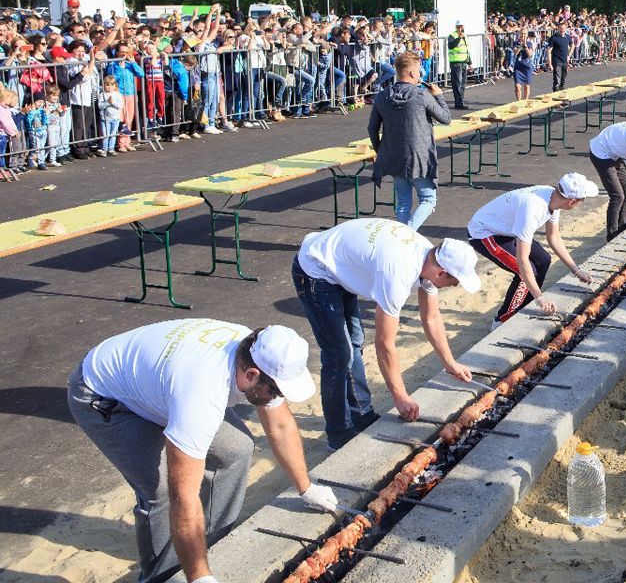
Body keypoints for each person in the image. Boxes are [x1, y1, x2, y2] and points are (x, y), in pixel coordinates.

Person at [67, 319, 338, 583]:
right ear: (251, 375)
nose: (279, 398)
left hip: (162, 385)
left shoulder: (255, 352)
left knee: (236, 449)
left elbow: (279, 426)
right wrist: (199, 577)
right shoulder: (201, 395)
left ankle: (211, 546)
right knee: (160, 490)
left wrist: (306, 488)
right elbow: (182, 496)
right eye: (277, 391)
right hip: (104, 397)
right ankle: (167, 576)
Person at [292, 218, 481, 449]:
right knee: (339, 354)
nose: (455, 286)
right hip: (316, 269)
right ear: (442, 272)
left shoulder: (429, 258)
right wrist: (400, 396)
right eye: (455, 281)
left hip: (341, 264)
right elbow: (384, 344)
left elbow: (431, 317)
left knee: (354, 343)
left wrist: (449, 362)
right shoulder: (398, 273)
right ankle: (338, 434)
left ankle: (362, 415)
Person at [468, 172, 599, 329]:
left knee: (543, 260)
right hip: (484, 233)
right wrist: (540, 297)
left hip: (507, 229)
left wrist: (576, 270)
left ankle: (527, 304)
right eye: (581, 201)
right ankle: (501, 321)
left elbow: (554, 238)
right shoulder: (533, 209)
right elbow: (522, 260)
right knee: (525, 272)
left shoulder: (554, 199)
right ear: (572, 201)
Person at [368, 52, 451, 229]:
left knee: (403, 203)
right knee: (428, 200)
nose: (420, 75)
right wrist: (439, 96)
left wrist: (381, 151)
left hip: (394, 155)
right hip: (419, 156)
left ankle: (402, 238)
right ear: (412, 73)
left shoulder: (382, 96)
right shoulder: (422, 95)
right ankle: (406, 236)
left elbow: (372, 129)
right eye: (419, 71)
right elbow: (445, 118)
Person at [447, 21, 470, 109]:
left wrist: (469, 62)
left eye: (462, 27)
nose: (460, 29)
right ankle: (458, 102)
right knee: (457, 83)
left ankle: (461, 101)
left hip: (464, 61)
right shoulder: (452, 35)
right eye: (459, 27)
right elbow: (451, 46)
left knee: (463, 82)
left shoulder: (465, 36)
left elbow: (467, 49)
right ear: (456, 27)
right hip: (456, 62)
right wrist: (459, 38)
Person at [549, 23, 571, 92]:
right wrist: (550, 63)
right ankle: (555, 99)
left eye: (563, 28)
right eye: (560, 28)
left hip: (564, 61)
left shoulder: (568, 37)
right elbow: (549, 50)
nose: (562, 30)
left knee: (563, 80)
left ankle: (561, 97)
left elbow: (573, 45)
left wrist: (569, 55)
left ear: (565, 28)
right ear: (558, 28)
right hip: (556, 61)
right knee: (556, 81)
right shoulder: (554, 38)